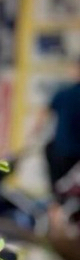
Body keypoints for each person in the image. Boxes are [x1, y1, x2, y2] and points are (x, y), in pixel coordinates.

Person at [43, 60, 80, 192]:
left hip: (63, 150)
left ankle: (56, 200)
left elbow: (43, 116)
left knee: (59, 186)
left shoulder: (63, 94)